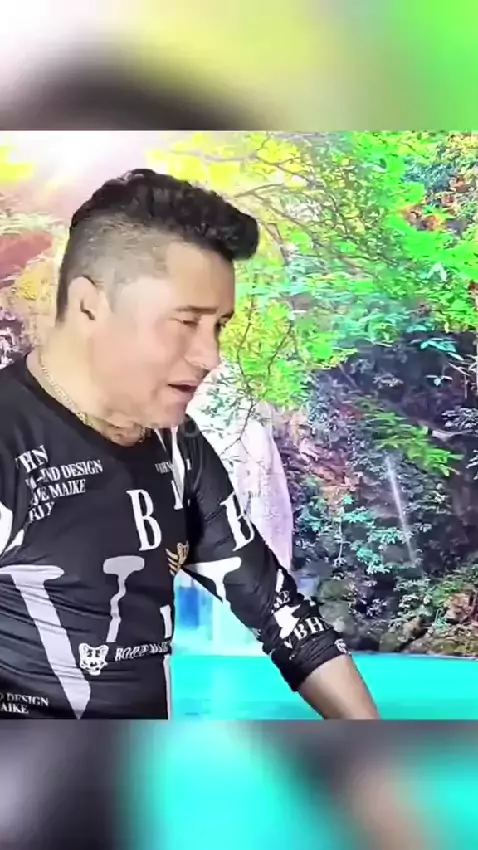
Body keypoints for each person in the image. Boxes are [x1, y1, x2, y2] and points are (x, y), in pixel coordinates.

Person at [0, 169, 378, 719]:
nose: (210, 356)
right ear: (88, 305)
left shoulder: (177, 446)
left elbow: (284, 617)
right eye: (186, 322)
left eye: (218, 325)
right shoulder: (10, 446)